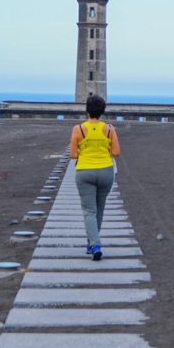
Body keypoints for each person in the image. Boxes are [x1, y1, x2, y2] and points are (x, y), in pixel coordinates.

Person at [69, 94, 120, 261]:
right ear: (102, 111)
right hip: (106, 171)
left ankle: (95, 244)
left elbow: (73, 155)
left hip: (85, 172)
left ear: (87, 110)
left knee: (89, 211)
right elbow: (116, 152)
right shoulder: (110, 129)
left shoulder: (79, 129)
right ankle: (92, 242)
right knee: (99, 209)